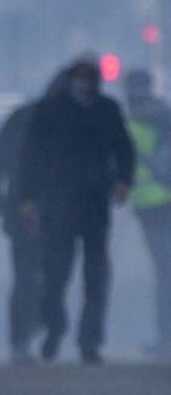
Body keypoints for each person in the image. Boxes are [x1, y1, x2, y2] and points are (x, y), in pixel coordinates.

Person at [20, 59, 135, 365]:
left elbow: (124, 148)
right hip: (58, 202)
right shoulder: (50, 110)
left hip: (95, 203)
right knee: (55, 273)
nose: (85, 83)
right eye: (80, 77)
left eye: (90, 77)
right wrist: (28, 197)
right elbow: (31, 156)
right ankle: (54, 327)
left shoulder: (107, 110)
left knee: (96, 277)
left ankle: (90, 341)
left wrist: (124, 180)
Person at [0, 71, 67, 365]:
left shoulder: (26, 117)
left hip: (40, 211)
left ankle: (29, 334)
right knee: (33, 277)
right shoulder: (33, 118)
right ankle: (24, 335)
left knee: (33, 277)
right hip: (33, 211)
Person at [123, 69, 171, 359]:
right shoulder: (166, 115)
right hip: (156, 205)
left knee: (165, 273)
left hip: (152, 207)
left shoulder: (132, 122)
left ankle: (166, 336)